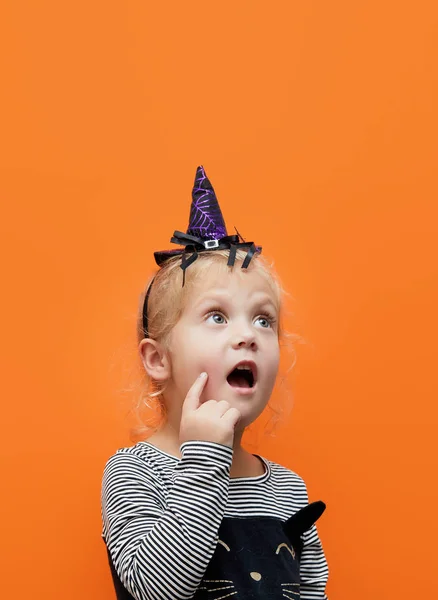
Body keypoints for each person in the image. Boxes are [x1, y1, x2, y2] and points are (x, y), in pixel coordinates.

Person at [100, 166, 329, 600]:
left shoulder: (286, 488)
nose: (247, 335)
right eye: (217, 317)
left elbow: (313, 591)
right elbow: (157, 591)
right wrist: (204, 457)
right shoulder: (135, 473)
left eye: (264, 320)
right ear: (158, 359)